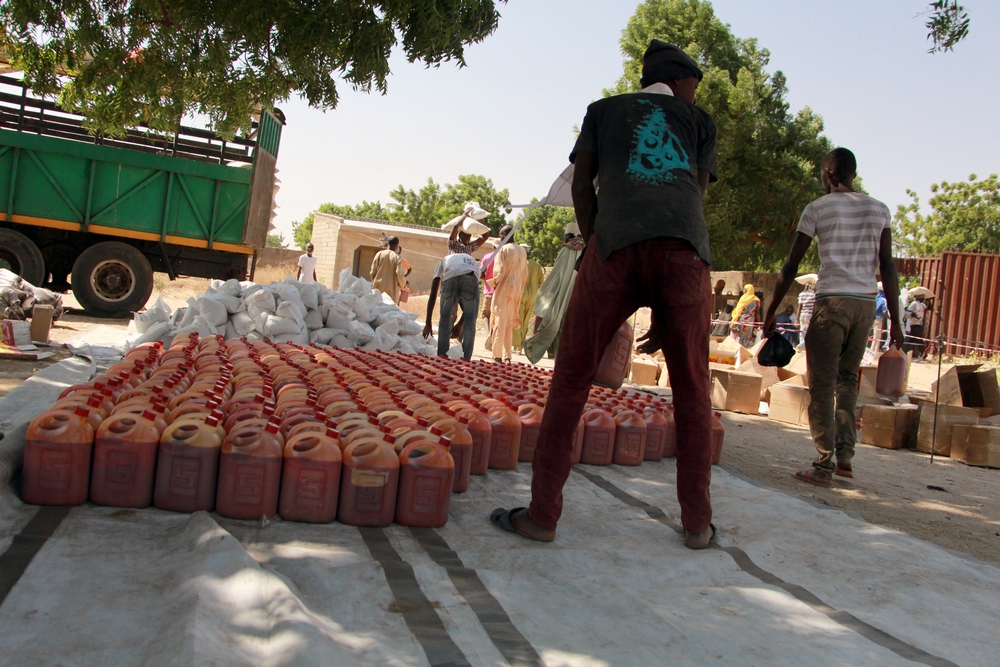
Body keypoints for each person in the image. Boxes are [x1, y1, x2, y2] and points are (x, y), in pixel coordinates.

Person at [489, 40, 718, 549]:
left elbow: (580, 186)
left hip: (614, 244)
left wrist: (596, 241)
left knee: (570, 379)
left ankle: (542, 516)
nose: (693, 96)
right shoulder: (698, 122)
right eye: (693, 87)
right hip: (684, 252)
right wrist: (669, 298)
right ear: (678, 80)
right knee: (692, 390)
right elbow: (693, 194)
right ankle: (698, 525)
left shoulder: (604, 111)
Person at [763, 147, 903, 488]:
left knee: (822, 385)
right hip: (865, 306)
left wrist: (772, 311)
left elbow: (791, 266)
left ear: (828, 174)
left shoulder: (818, 209)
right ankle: (845, 459)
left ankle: (823, 465)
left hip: (832, 303)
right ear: (852, 174)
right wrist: (896, 321)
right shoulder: (879, 209)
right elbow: (887, 267)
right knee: (847, 381)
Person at [523, 224, 586, 362]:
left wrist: (548, 293)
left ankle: (542, 351)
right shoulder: (587, 250)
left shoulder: (566, 250)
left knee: (555, 321)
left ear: (569, 236)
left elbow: (556, 276)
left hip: (562, 295)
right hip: (579, 296)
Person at [422, 252, 480, 360]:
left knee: (444, 319)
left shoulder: (443, 261)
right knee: (470, 323)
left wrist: (428, 323)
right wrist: (460, 324)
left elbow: (433, 292)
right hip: (471, 277)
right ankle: (466, 360)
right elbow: (470, 311)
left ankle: (442, 358)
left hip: (450, 278)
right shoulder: (473, 262)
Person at [485, 225, 528, 363]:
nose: (500, 238)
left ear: (505, 235)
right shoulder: (522, 251)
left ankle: (497, 355)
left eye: (501, 236)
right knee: (509, 323)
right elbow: (524, 274)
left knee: (499, 322)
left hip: (504, 290)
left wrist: (492, 282)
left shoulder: (503, 249)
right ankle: (507, 356)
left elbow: (499, 272)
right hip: (516, 290)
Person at [513, 245, 545, 352]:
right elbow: (541, 282)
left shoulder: (518, 264)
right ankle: (521, 344)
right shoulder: (536, 265)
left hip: (520, 293)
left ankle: (517, 345)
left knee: (518, 318)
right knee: (526, 320)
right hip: (533, 295)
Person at [370, 236, 407, 304]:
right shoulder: (398, 258)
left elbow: (372, 272)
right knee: (389, 309)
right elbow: (399, 274)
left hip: (378, 285)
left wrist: (375, 281)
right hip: (391, 287)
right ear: (396, 245)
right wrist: (403, 284)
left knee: (376, 307)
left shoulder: (379, 254)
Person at [480, 245, 496, 337]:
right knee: (496, 315)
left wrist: (487, 278)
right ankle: (493, 334)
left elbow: (481, 273)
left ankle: (487, 333)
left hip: (489, 290)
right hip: (500, 292)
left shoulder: (487, 257)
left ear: (493, 246)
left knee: (486, 314)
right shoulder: (504, 257)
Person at [796, 281, 816, 346]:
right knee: (810, 332)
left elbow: (799, 307)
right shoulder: (815, 295)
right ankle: (802, 346)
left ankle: (801, 346)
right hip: (811, 315)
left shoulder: (801, 294)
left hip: (803, 315)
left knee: (802, 332)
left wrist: (796, 319)